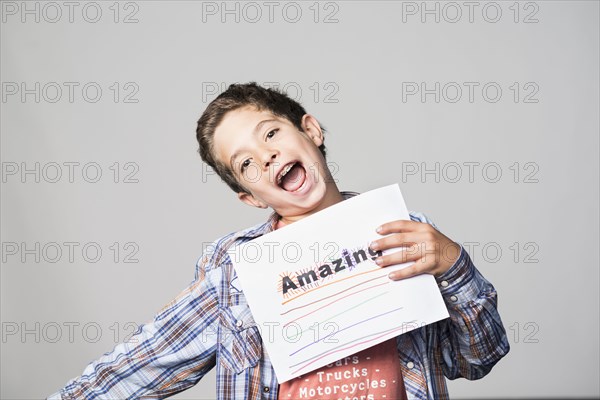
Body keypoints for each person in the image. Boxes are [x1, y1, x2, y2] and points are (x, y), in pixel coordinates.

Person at [48, 82, 509, 399]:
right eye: (246, 164)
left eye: (270, 134)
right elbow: (149, 360)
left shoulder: (403, 231)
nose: (266, 156)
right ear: (250, 197)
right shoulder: (236, 269)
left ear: (310, 130)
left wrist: (454, 266)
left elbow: (475, 359)